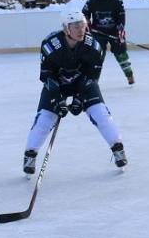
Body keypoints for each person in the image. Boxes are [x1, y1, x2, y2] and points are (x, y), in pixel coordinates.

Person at [22, 10, 128, 174]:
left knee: (101, 114)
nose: (81, 30)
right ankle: (30, 155)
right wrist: (58, 100)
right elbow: (47, 76)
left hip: (82, 83)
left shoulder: (94, 46)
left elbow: (92, 77)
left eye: (83, 25)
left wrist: (79, 99)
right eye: (76, 26)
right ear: (66, 28)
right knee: (45, 119)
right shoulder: (50, 45)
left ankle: (118, 149)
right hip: (57, 84)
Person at [82, 0, 135, 85]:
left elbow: (121, 15)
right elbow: (84, 14)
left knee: (121, 54)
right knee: (97, 57)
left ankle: (130, 76)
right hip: (98, 33)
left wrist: (120, 29)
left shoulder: (116, 1)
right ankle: (94, 79)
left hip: (115, 33)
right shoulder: (92, 1)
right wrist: (88, 24)